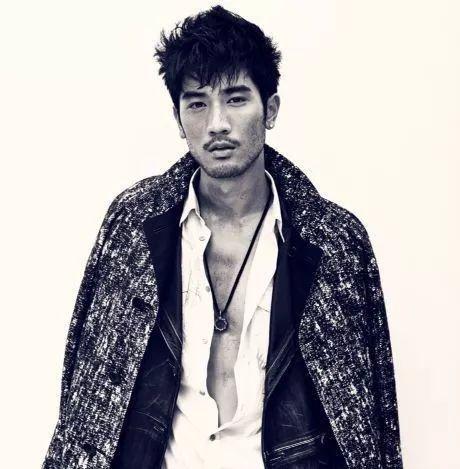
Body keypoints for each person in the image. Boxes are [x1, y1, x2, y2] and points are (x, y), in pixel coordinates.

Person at [42, 5, 403, 469]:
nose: (217, 123)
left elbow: (372, 419)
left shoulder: (335, 242)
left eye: (235, 99)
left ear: (270, 109)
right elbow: (84, 399)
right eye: (197, 103)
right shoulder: (133, 225)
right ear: (178, 119)